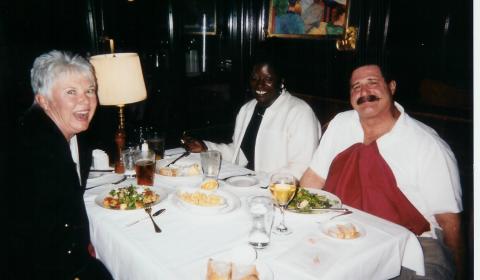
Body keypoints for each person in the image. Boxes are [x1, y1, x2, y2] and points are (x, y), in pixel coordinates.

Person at [300, 64, 464, 279]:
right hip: (344, 231)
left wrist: (462, 272)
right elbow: (313, 178)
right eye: (356, 87)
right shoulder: (341, 124)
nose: (364, 93)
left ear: (392, 86)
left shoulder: (428, 145)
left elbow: (450, 224)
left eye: (373, 83)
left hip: (413, 245)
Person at [8, 50, 113, 279]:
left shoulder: (74, 133)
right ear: (43, 100)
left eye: (90, 90)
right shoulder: (29, 149)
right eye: (71, 92)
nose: (85, 100)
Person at [182, 59, 321, 180]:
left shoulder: (300, 113)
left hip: (276, 192)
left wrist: (263, 183)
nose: (260, 85)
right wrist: (206, 148)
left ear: (281, 82)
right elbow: (238, 153)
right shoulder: (247, 109)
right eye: (255, 78)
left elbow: (302, 167)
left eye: (268, 79)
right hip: (245, 184)